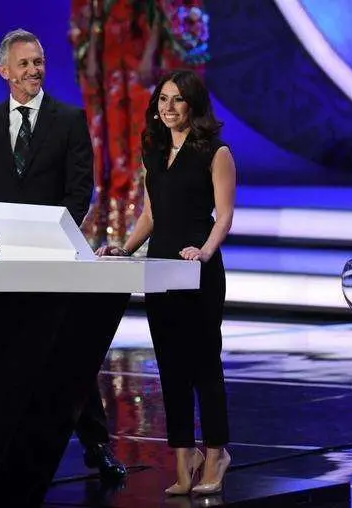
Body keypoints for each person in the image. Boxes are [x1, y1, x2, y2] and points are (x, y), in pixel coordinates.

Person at [0, 29, 127, 481]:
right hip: (1, 259)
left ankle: (97, 444)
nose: (34, 70)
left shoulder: (68, 119)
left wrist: (53, 233)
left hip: (54, 256)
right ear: (4, 72)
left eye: (39, 62)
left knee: (67, 352)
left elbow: (79, 189)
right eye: (25, 63)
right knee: (0, 350)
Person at [97, 69, 235, 495]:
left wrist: (205, 251)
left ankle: (216, 452)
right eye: (162, 100)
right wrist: (126, 246)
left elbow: (224, 215)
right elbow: (151, 215)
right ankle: (183, 457)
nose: (168, 108)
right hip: (159, 268)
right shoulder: (154, 155)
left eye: (177, 100)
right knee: (171, 367)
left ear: (192, 105)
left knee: (204, 365)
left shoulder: (216, 152)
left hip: (197, 269)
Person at [69, 0, 211, 249]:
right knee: (114, 138)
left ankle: (142, 218)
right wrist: (92, 52)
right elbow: (92, 13)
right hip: (111, 51)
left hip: (145, 49)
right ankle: (113, 220)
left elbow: (166, 11)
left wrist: (150, 50)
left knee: (146, 133)